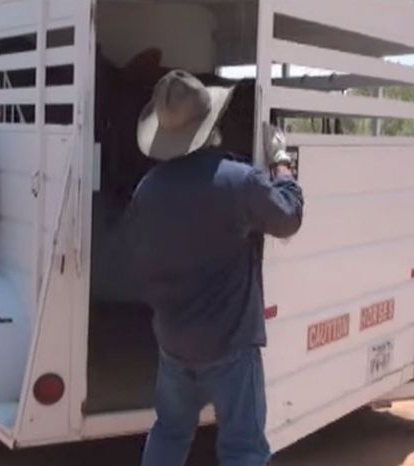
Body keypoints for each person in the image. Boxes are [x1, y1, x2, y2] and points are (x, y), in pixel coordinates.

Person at [124, 69, 304, 466]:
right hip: (230, 346)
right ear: (211, 124)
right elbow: (288, 217)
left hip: (173, 343)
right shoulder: (238, 182)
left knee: (169, 433)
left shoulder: (147, 191)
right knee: (243, 449)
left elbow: (137, 262)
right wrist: (282, 162)